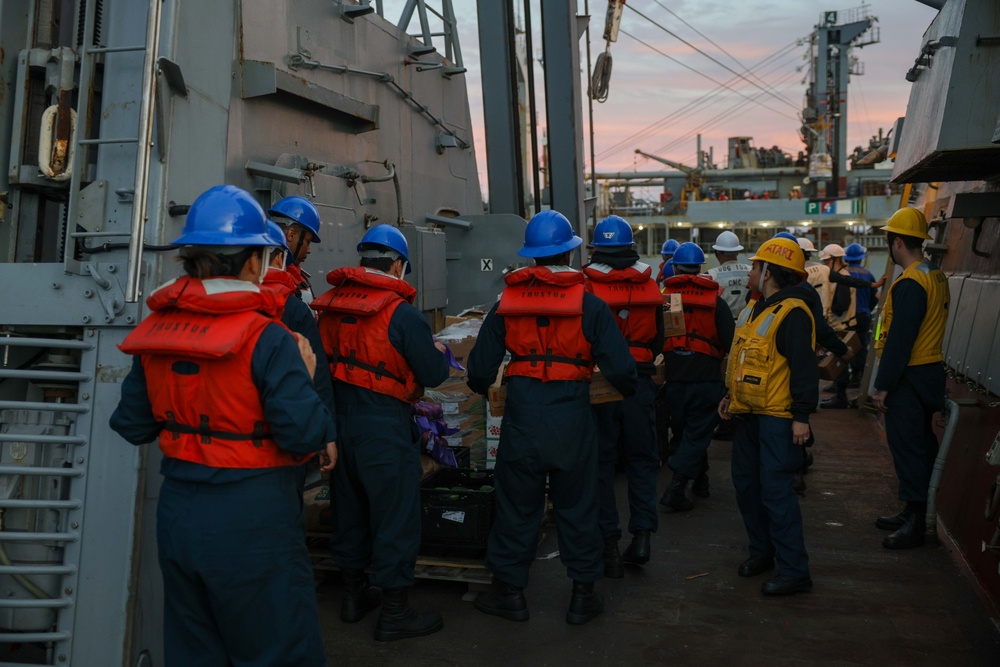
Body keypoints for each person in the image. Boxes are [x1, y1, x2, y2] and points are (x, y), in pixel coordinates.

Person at [109, 184, 337, 666]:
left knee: (196, 651)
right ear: (255, 261)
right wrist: (308, 372)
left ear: (189, 258)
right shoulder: (271, 339)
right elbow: (306, 434)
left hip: (179, 516)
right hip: (253, 517)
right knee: (278, 650)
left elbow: (133, 425)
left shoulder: (155, 334)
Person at [467, 210, 637, 625]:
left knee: (516, 506)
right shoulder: (591, 306)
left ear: (532, 257)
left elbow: (478, 373)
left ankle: (510, 593)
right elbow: (623, 372)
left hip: (523, 416)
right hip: (572, 417)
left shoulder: (504, 305)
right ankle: (582, 596)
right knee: (578, 506)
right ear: (571, 252)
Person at [312, 224, 450, 641]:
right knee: (395, 518)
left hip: (339, 423)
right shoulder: (401, 314)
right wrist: (439, 354)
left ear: (362, 261)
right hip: (383, 426)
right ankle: (394, 612)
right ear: (398, 265)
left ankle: (354, 598)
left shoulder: (331, 307)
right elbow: (432, 374)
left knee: (350, 511)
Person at [719, 236, 817, 596]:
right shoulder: (752, 310)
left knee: (777, 493)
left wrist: (801, 417)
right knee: (747, 488)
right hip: (747, 416)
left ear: (769, 272)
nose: (750, 273)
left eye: (755, 267)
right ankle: (762, 553)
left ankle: (794, 570)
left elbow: (804, 369)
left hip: (777, 418)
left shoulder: (793, 313)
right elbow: (744, 359)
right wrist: (730, 396)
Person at [582, 215, 663, 576]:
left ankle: (609, 545)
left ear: (596, 247)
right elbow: (660, 338)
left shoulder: (586, 284)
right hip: (640, 383)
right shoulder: (651, 282)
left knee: (601, 465)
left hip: (599, 385)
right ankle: (642, 536)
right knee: (642, 462)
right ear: (631, 246)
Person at [872, 208, 950, 550]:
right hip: (928, 372)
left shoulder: (909, 284)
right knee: (919, 443)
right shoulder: (934, 275)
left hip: (910, 376)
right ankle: (912, 510)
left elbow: (900, 340)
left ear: (897, 242)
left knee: (908, 447)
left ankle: (916, 523)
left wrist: (883, 385)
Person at [660, 242, 735, 511]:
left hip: (675, 378)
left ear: (676, 267)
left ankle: (700, 480)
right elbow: (731, 342)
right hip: (705, 378)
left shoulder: (665, 297)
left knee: (686, 434)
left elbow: (657, 338)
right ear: (700, 267)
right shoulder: (716, 301)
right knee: (697, 434)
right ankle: (676, 488)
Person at [261, 220, 335, 414]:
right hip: (290, 411)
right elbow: (318, 375)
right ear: (279, 259)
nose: (309, 250)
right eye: (308, 242)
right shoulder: (294, 306)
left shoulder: (218, 303)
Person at [269, 195, 322, 301]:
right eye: (308, 242)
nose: (309, 250)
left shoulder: (254, 272)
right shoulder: (281, 281)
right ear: (291, 234)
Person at [707, 230, 752, 320]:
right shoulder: (751, 271)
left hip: (722, 324)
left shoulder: (710, 275)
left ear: (717, 253)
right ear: (737, 252)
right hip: (747, 323)